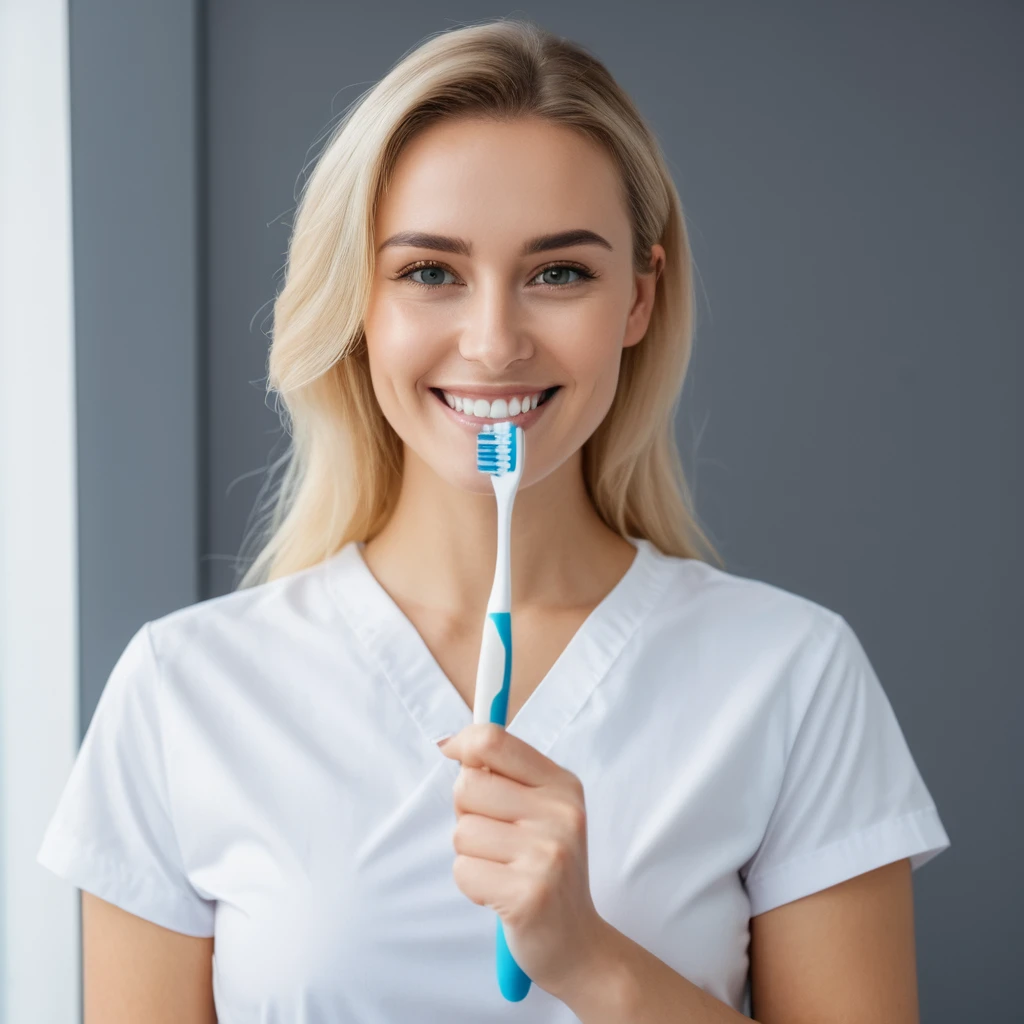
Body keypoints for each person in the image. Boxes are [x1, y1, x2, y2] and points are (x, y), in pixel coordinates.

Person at [36, 18, 950, 1023]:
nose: (493, 340)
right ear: (358, 299)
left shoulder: (791, 676)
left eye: (559, 272)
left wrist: (592, 959)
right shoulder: (184, 691)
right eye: (430, 271)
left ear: (638, 299)